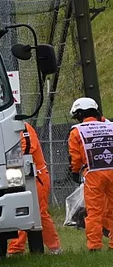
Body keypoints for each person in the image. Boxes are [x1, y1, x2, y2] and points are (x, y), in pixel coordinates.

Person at [7, 122, 61, 255]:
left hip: (36, 175)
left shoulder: (22, 127)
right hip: (22, 175)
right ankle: (16, 248)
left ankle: (54, 247)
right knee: (21, 211)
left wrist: (7, 158)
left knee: (39, 213)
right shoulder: (9, 127)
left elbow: (28, 148)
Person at [68, 97, 113, 251]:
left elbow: (75, 158)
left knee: (94, 212)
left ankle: (94, 246)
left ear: (80, 114)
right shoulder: (110, 126)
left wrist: (74, 172)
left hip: (93, 173)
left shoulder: (77, 131)